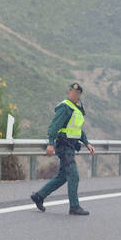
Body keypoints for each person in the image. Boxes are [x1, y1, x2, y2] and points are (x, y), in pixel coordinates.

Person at [28, 82, 96, 216]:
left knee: (62, 177)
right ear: (69, 92)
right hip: (64, 146)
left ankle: (39, 196)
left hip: (71, 146)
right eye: (73, 92)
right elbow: (54, 126)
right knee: (74, 176)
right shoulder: (65, 107)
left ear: (80, 95)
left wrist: (87, 143)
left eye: (78, 93)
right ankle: (74, 207)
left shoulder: (75, 109)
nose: (75, 95)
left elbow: (77, 130)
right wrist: (50, 143)